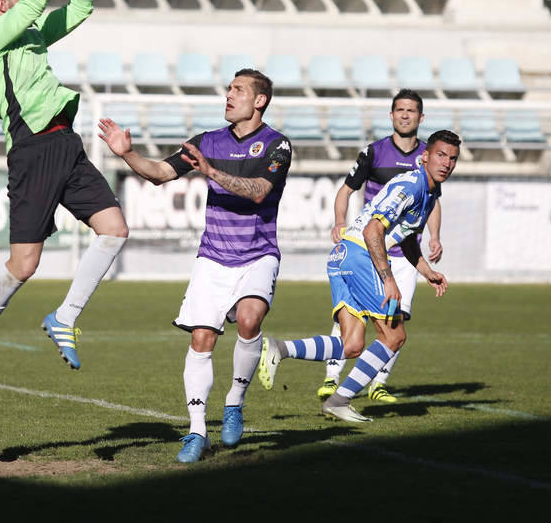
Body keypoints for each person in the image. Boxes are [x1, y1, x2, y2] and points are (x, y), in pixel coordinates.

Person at [0, 0, 128, 393]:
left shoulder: (29, 35)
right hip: (31, 151)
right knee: (25, 264)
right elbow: (37, 2)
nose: (26, 1)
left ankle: (65, 316)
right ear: (4, 5)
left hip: (65, 141)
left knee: (114, 230)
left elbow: (79, 8)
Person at [98, 69, 292, 463]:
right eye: (228, 89)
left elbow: (258, 192)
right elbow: (160, 174)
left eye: (238, 90)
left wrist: (210, 172)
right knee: (202, 339)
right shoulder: (208, 141)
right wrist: (128, 155)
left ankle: (235, 401)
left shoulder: (277, 145)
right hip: (213, 257)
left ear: (260, 101)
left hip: (258, 253)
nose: (228, 96)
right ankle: (197, 432)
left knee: (251, 320)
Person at [258, 130, 460, 423]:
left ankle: (280, 348)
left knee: (352, 344)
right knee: (394, 335)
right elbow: (372, 230)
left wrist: (427, 271)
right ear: (425, 157)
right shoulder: (414, 185)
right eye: (441, 155)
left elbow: (404, 238)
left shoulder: (429, 192)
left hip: (343, 256)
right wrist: (388, 278)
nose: (447, 163)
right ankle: (339, 400)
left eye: (453, 159)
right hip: (359, 255)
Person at [318, 89, 443, 404]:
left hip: (404, 253)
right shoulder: (374, 152)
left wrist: (434, 236)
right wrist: (338, 220)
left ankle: (378, 383)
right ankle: (333, 380)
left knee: (397, 320)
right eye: (399, 109)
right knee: (352, 317)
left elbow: (433, 203)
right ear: (391, 115)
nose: (405, 115)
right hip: (372, 248)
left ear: (420, 117)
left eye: (411, 110)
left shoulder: (432, 155)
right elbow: (346, 191)